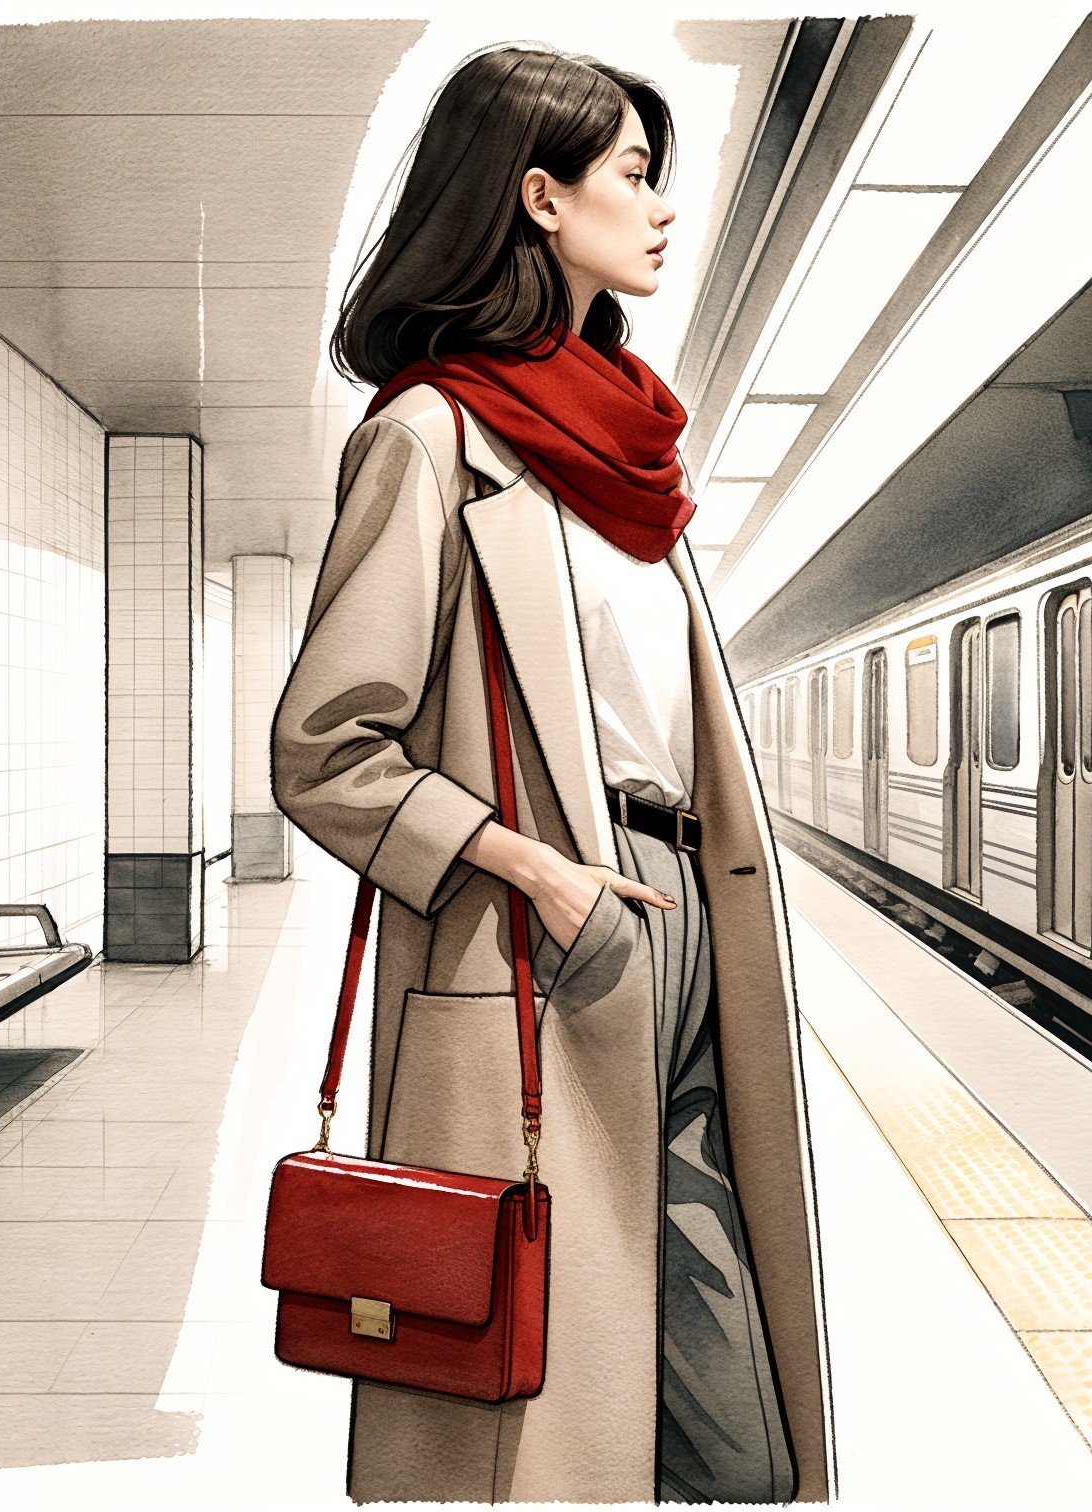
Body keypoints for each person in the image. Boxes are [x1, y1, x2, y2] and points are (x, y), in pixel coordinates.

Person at [270, 45, 832, 1506]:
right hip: (545, 933)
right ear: (538, 196)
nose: (660, 213)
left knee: (740, 1430)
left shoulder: (629, 450)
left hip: (683, 919)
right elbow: (325, 746)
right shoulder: (431, 438)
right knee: (541, 1397)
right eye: (635, 177)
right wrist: (533, 867)